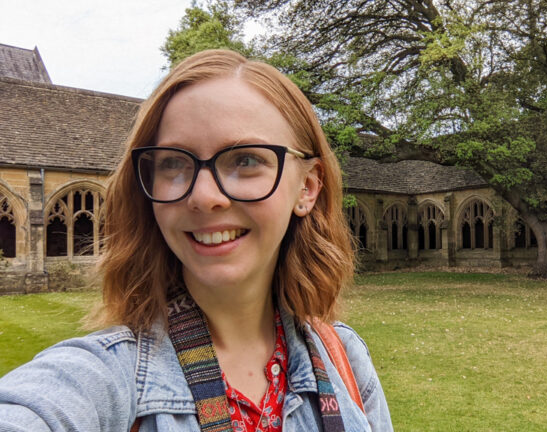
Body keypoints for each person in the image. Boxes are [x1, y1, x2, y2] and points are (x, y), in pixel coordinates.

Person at [0, 49, 392, 432]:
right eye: (173, 162)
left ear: (307, 187)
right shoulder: (99, 378)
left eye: (245, 160)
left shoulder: (345, 360)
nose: (203, 197)